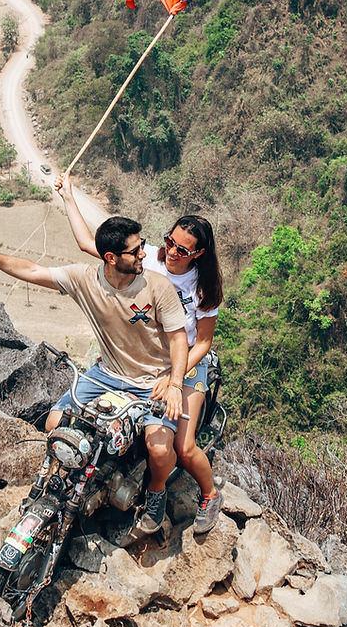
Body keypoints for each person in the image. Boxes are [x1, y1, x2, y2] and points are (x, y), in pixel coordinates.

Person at [0, 215, 189, 536]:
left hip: (153, 381)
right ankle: (68, 482)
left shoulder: (158, 288)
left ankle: (157, 492)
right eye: (135, 251)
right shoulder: (84, 279)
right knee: (54, 424)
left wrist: (175, 383)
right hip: (107, 373)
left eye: (142, 246)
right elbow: (32, 270)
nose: (144, 255)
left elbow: (178, 338)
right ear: (111, 258)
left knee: (160, 451)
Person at [56, 172, 224, 536]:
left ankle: (204, 494)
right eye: (170, 242)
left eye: (183, 249)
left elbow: (203, 343)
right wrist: (68, 197)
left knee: (182, 445)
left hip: (186, 366)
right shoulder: (146, 261)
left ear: (198, 254)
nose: (173, 252)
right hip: (142, 360)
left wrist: (174, 378)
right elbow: (89, 243)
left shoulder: (202, 288)